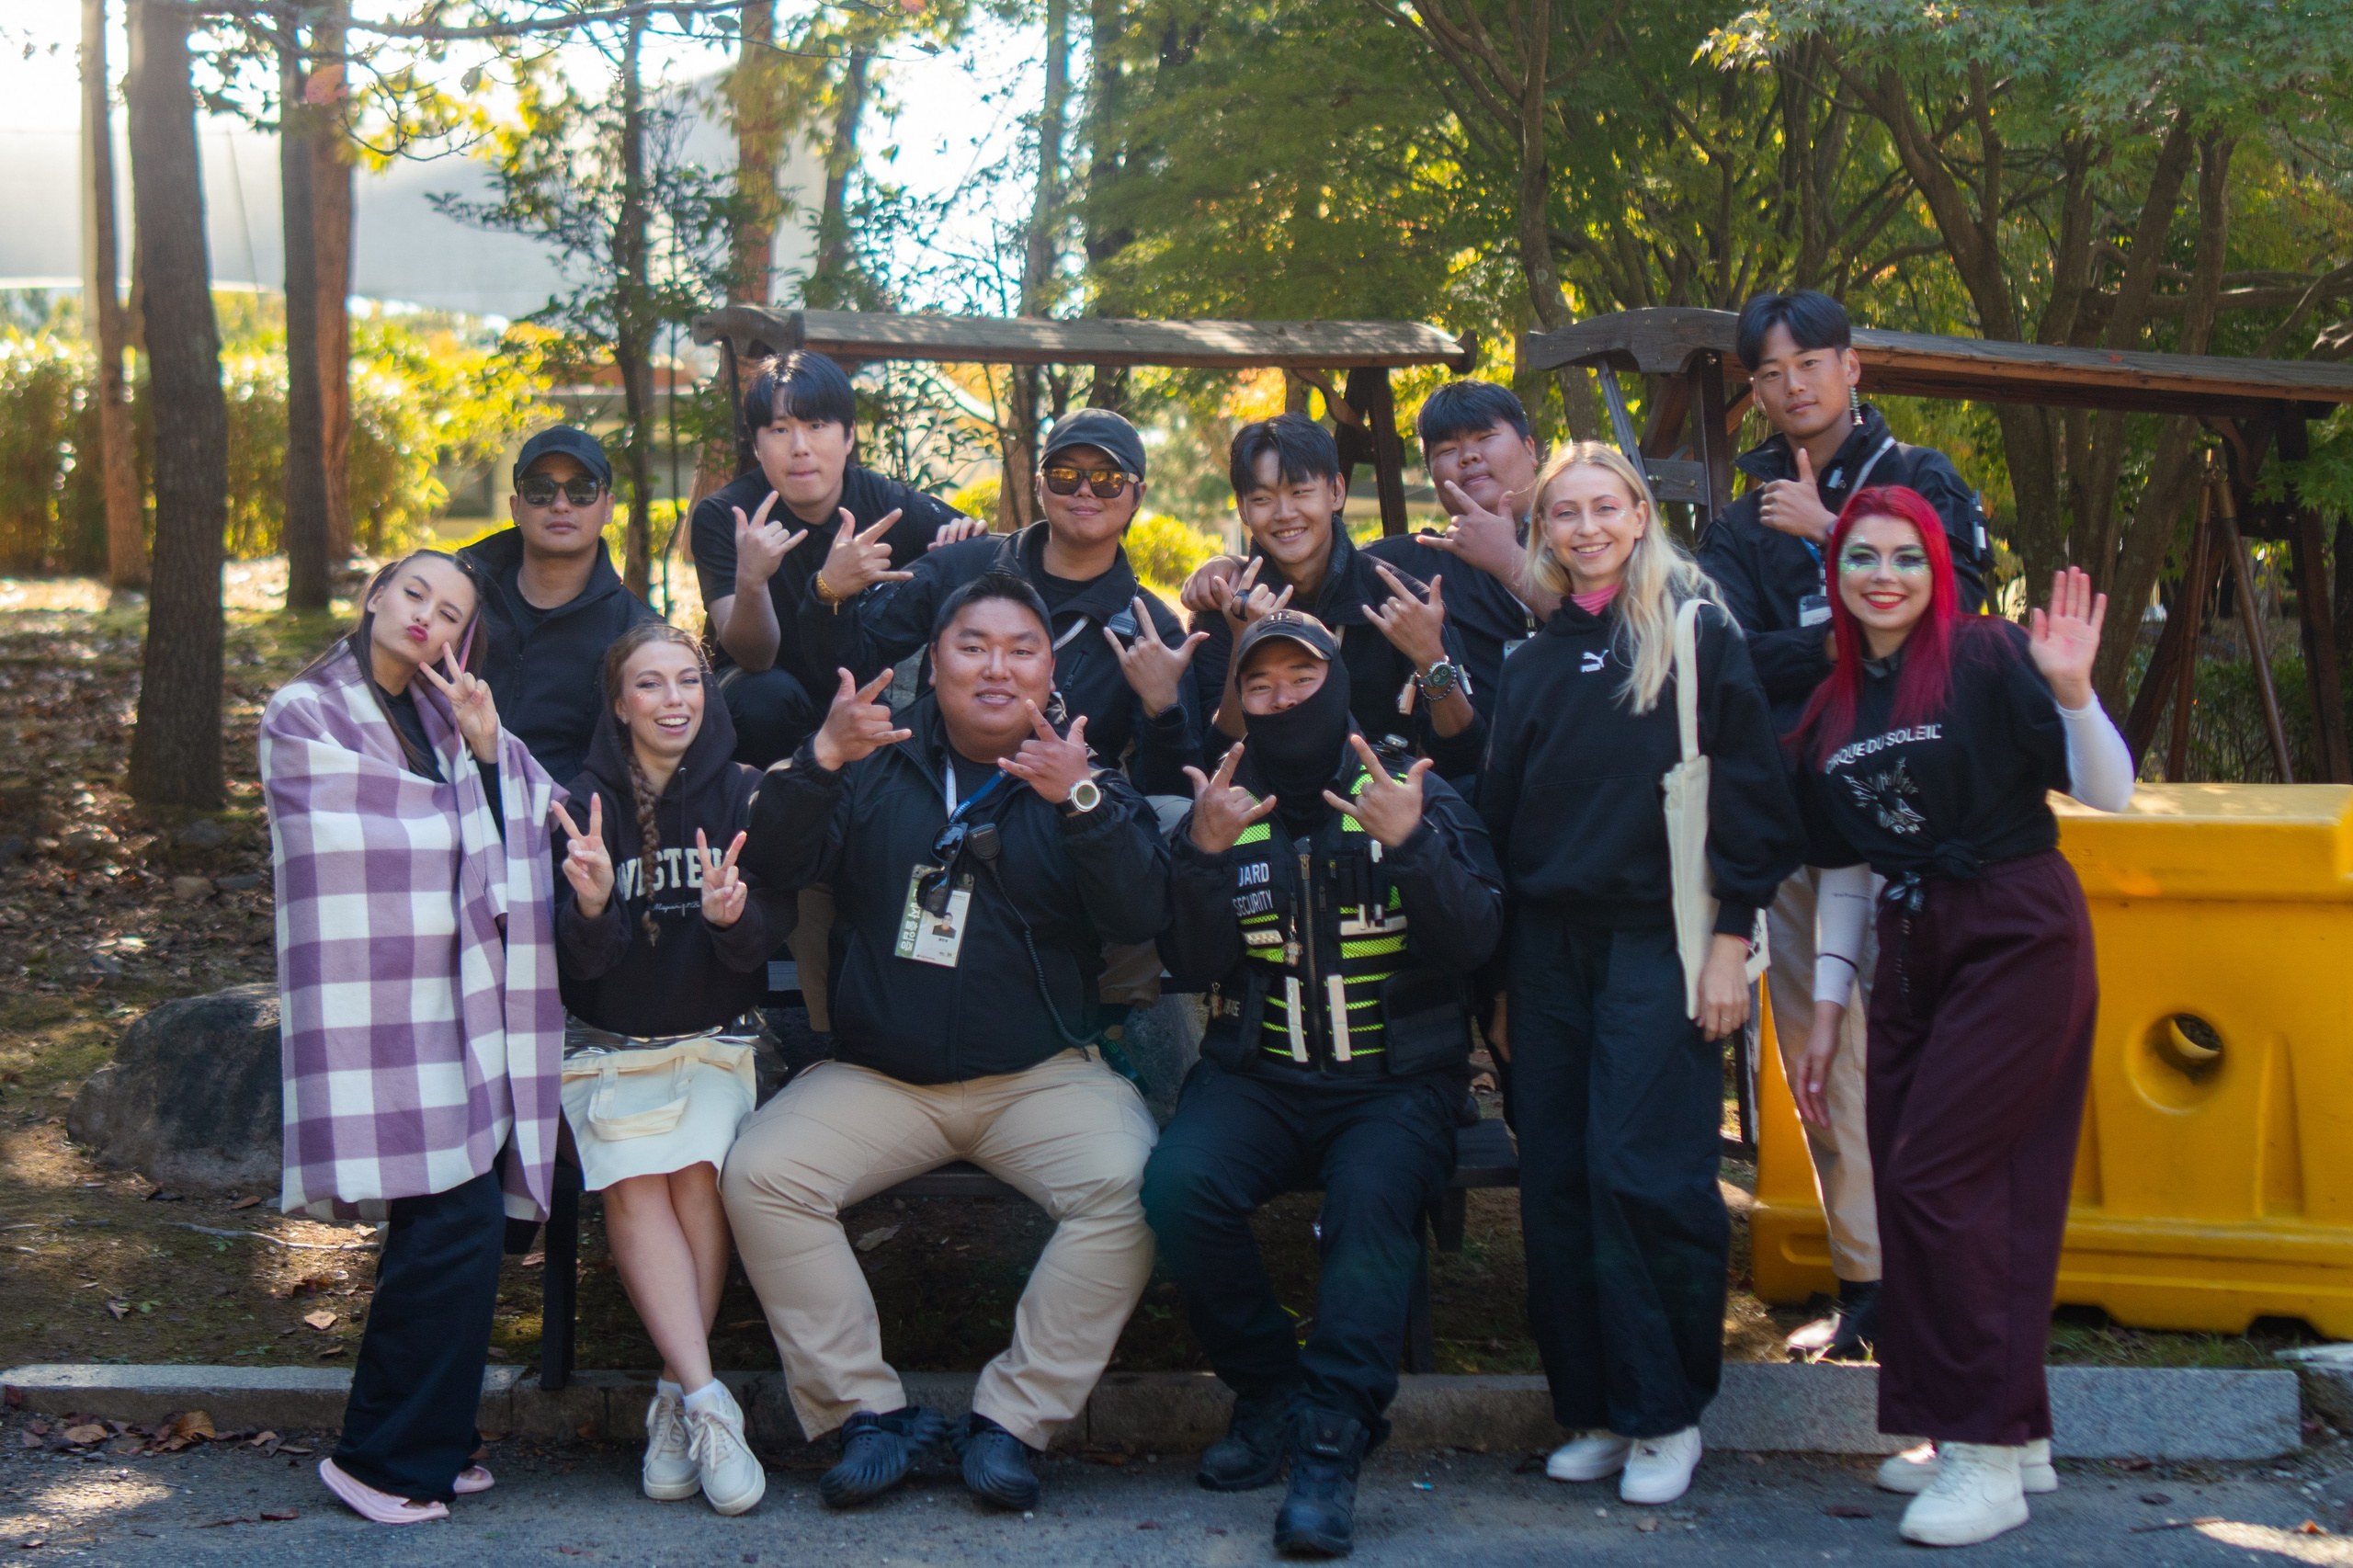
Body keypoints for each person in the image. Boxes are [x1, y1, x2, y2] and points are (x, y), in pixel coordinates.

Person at [722, 572, 1168, 1514]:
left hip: (1041, 1074)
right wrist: (820, 759)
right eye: (973, 645)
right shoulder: (875, 759)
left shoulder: (1083, 774)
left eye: (1020, 648)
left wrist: (1079, 802)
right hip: (882, 1077)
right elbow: (770, 860)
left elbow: (1141, 910)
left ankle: (1012, 1419)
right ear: (936, 660)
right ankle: (865, 1414)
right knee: (762, 1172)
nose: (996, 667)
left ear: (1051, 670)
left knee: (1136, 1186)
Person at [1782, 487, 2131, 1548]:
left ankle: (1985, 1455)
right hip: (1910, 936)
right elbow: (1843, 870)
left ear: (1938, 569)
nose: (1882, 575)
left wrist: (2071, 691)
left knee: (1942, 1179)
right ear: (1833, 577)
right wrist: (1830, 1008)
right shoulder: (1828, 708)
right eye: (1859, 558)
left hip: (2017, 922)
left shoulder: (1983, 657)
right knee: (1922, 1180)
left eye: (1905, 558)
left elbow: (2107, 791)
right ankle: (2000, 1429)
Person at [1479, 443, 1802, 1508]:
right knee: (1562, 1177)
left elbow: (1753, 793)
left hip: (1661, 940)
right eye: (1561, 512)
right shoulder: (1528, 662)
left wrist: (1728, 940)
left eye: (1603, 506)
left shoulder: (1695, 633)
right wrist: (1505, 981)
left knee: (1644, 1171)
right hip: (1549, 950)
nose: (1584, 526)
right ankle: (1601, 1406)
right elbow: (1503, 827)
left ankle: (1666, 1410)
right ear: (1541, 532)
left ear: (1636, 515)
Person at [1143, 609, 1504, 1558]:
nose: (1280, 700)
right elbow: (1190, 960)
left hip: (1394, 1082)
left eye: (1298, 679)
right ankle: (1269, 1391)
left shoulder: (1402, 783)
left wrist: (1413, 843)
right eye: (1257, 686)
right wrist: (1202, 858)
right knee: (1178, 1185)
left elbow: (1477, 939)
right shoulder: (1226, 798)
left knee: (1372, 1203)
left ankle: (1333, 1435)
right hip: (1257, 1073)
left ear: (1335, 681)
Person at [1698, 290, 1992, 1360]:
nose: (1791, 386)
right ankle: (1867, 1286)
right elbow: (1728, 656)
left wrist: (1835, 543)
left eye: (1809, 362)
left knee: (1934, 1063)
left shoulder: (1920, 479)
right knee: (1825, 1072)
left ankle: (1952, 1286)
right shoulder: (1741, 513)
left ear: (1852, 364)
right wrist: (1853, 625)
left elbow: (1962, 619)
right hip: (1802, 830)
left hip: (1930, 835)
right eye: (1769, 373)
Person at [261, 551, 563, 1526]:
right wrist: (472, 791)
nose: (427, 616)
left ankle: (427, 1438)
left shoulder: (444, 711)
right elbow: (371, 841)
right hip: (377, 996)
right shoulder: (301, 713)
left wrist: (482, 745)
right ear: (375, 595)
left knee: (460, 1225)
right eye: (415, 593)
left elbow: (530, 803)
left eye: (451, 609)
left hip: (459, 999)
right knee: (448, 1223)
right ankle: (381, 1460)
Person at [550, 621, 798, 1516]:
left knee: (695, 1172)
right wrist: (587, 903)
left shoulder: (742, 795)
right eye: (649, 684)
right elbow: (584, 967)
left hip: (716, 1041)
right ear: (619, 703)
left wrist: (735, 918)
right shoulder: (583, 805)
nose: (672, 699)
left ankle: (673, 1396)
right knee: (631, 1179)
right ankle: (706, 1401)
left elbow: (754, 948)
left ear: (710, 690)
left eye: (687, 680)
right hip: (607, 1050)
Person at [1177, 384, 1555, 730]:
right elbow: (1324, 567)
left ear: (1530, 447)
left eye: (1485, 437)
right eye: (1446, 450)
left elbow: (1606, 626)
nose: (1469, 456)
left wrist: (1507, 559)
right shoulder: (1408, 567)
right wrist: (1230, 567)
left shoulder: (1583, 541)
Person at [690, 348, 987, 769]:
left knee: (878, 712)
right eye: (779, 429)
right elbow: (753, 656)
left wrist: (963, 540)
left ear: (848, 436)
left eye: (816, 426)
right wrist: (752, 580)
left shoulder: (887, 506)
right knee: (765, 698)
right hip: (760, 694)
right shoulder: (727, 517)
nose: (799, 448)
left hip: (853, 681)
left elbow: (987, 551)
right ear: (756, 444)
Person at [1189, 415, 1483, 780]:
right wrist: (1242, 641)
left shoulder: (1401, 600)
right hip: (1265, 819)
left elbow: (1463, 757)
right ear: (1243, 508)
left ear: (1336, 491)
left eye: (1300, 492)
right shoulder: (1224, 607)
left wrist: (1430, 660)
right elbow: (1215, 759)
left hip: (1381, 811)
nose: (1284, 514)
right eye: (1263, 498)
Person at [458, 425, 664, 787]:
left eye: (582, 490)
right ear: (516, 507)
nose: (561, 504)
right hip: (449, 805)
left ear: (608, 508)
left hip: (569, 823)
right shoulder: (462, 601)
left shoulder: (639, 634)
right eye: (541, 489)